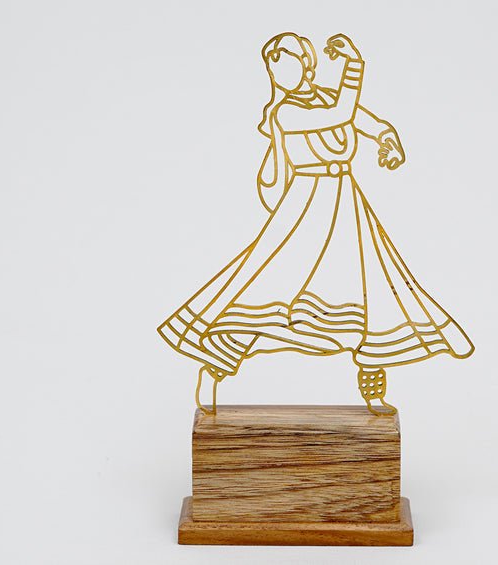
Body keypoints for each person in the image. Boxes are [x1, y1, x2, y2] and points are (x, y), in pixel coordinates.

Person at [158, 33, 474, 415]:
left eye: (285, 58)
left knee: (373, 288)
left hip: (345, 202)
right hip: (305, 207)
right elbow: (340, 114)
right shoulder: (285, 113)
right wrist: (354, 66)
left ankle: (373, 388)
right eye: (272, 64)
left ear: (306, 62)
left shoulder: (328, 96)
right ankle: (215, 368)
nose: (278, 69)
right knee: (266, 287)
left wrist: (387, 140)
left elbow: (367, 121)